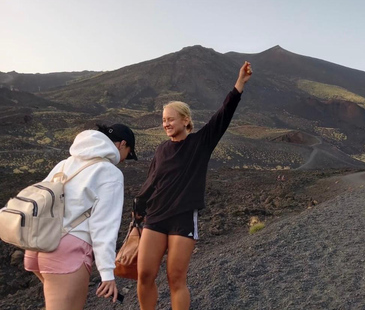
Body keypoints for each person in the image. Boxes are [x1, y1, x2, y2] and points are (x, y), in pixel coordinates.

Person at [134, 61, 253, 310]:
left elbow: (223, 115)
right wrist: (138, 209)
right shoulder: (161, 150)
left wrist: (239, 84)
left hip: (183, 218)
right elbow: (151, 181)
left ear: (185, 120)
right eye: (163, 120)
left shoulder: (201, 143)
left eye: (170, 119)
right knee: (144, 275)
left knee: (175, 278)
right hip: (155, 218)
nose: (166, 124)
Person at [24, 123, 138, 309]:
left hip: (37, 246)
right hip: (65, 252)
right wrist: (107, 273)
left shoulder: (65, 164)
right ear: (122, 144)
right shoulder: (109, 172)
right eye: (128, 153)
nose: (124, 160)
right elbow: (104, 226)